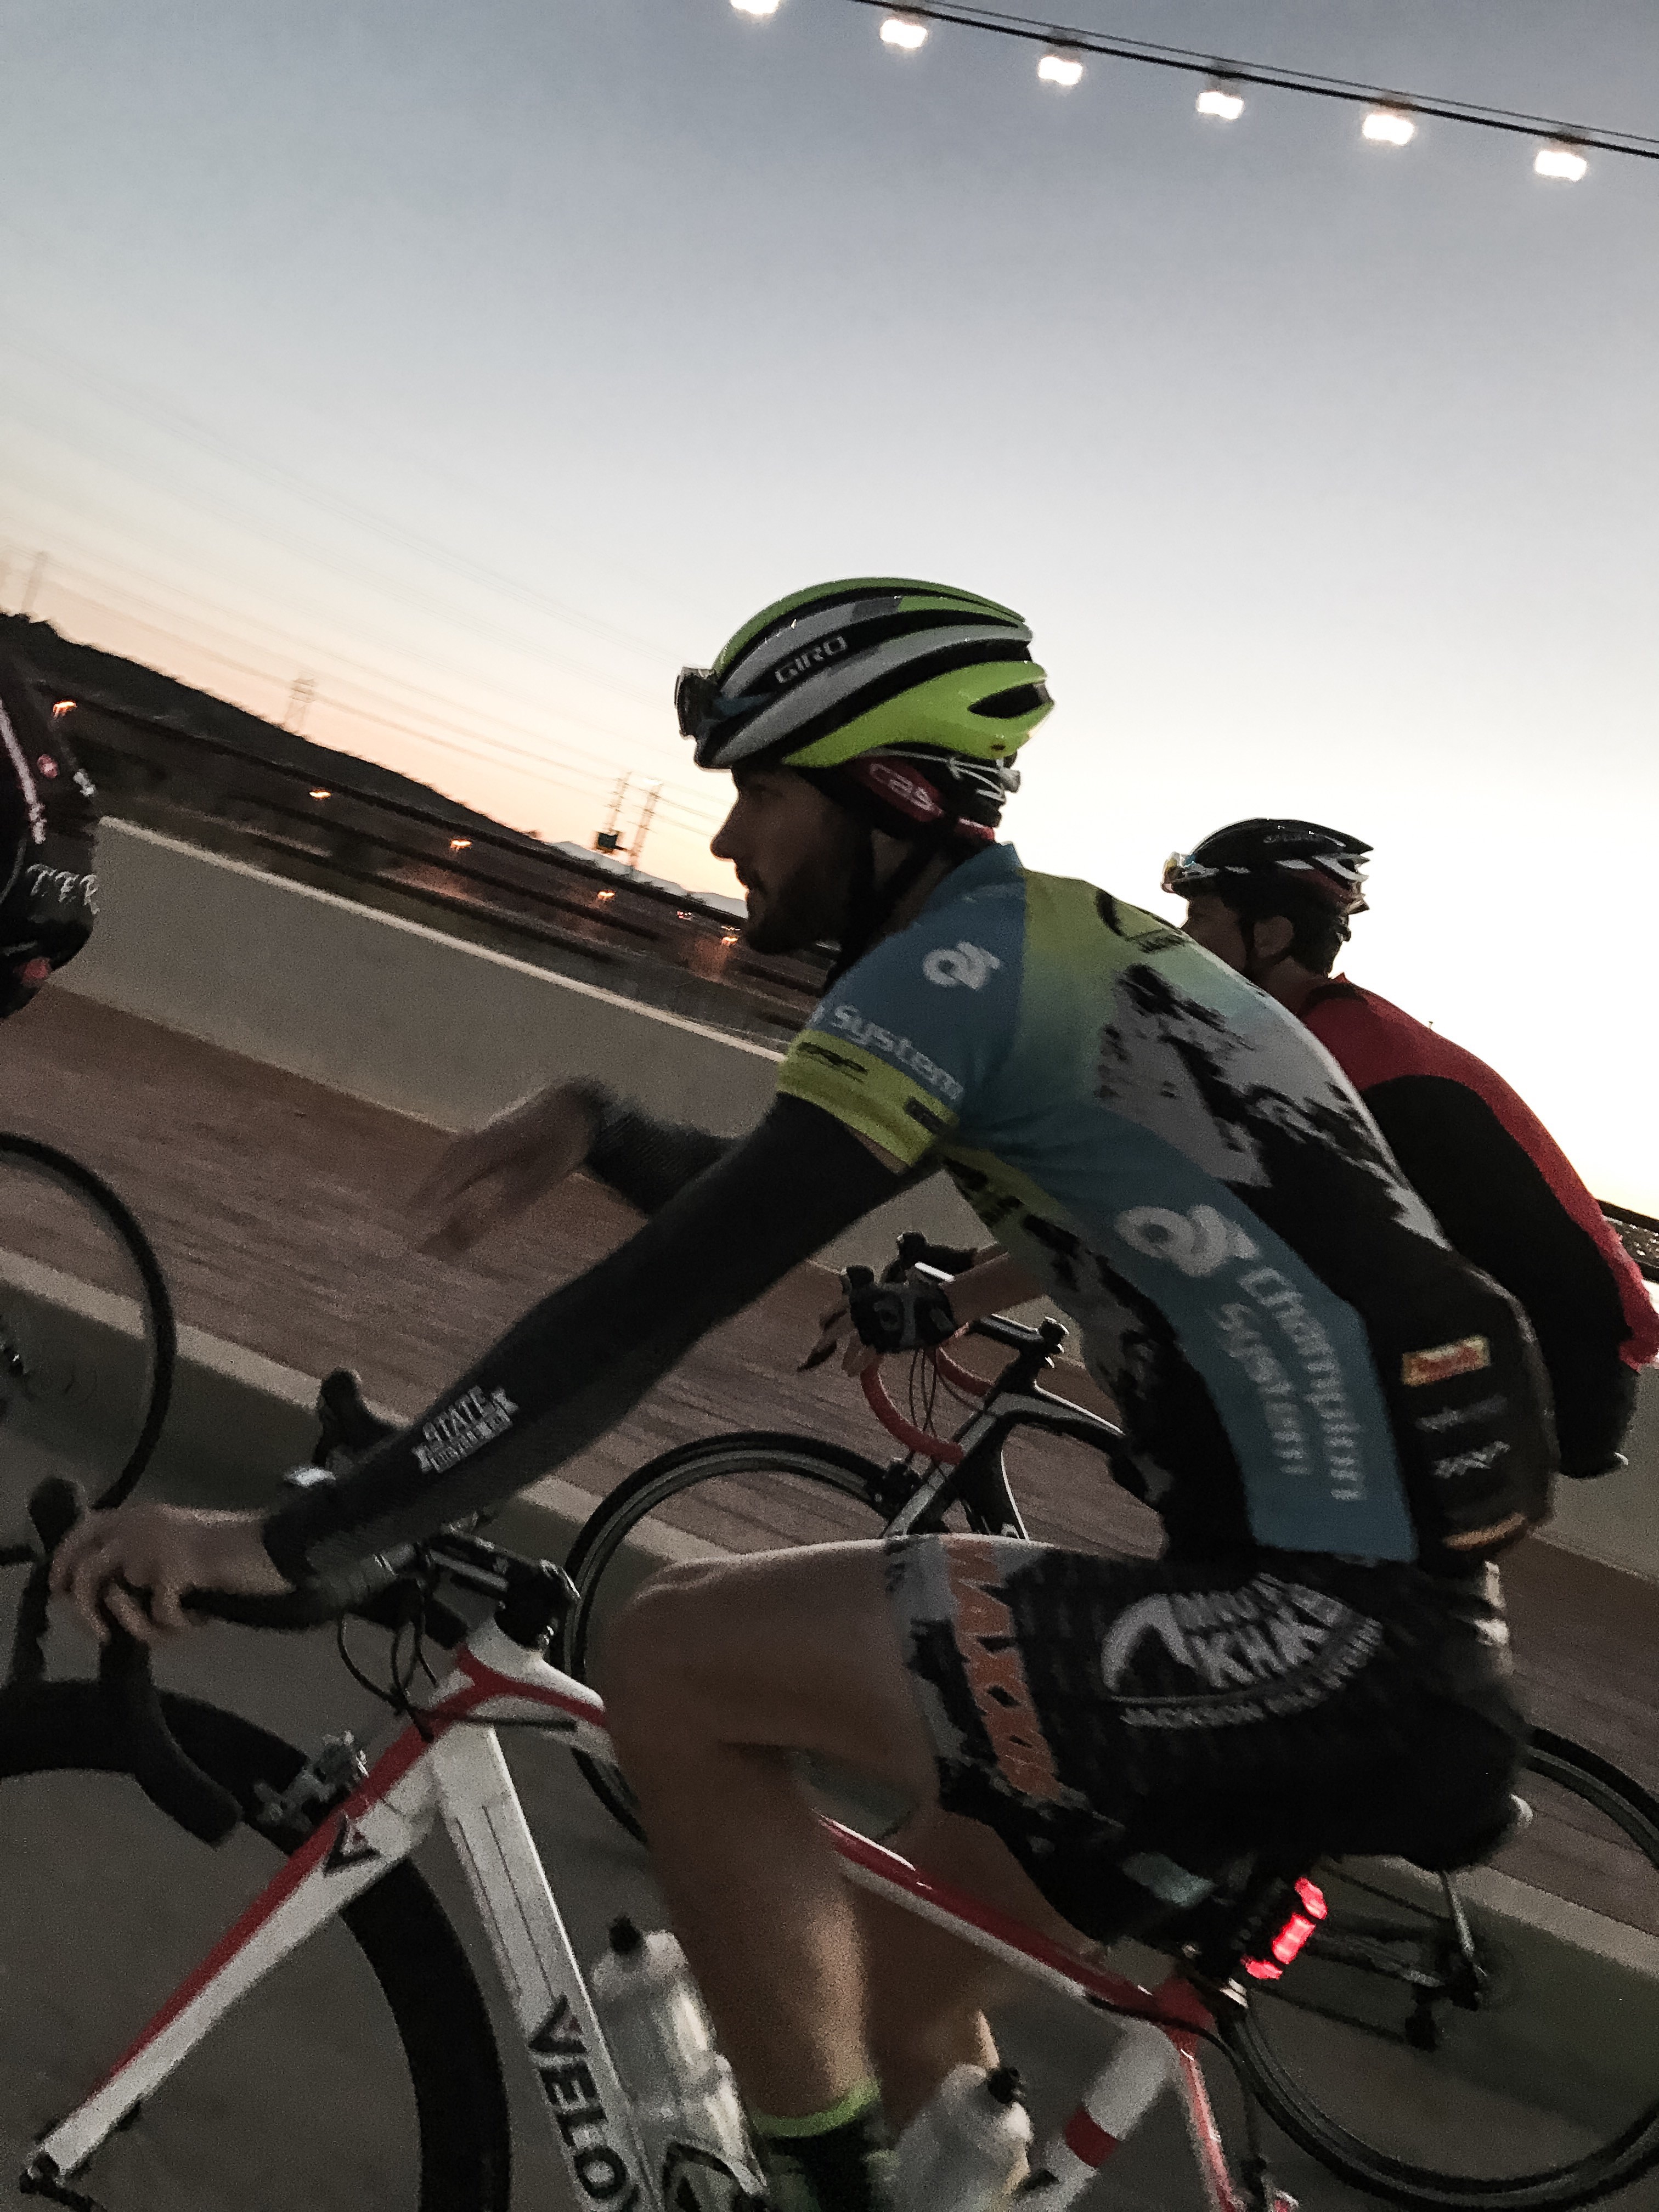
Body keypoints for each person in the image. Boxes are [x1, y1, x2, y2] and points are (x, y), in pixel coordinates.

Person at [50, 581, 1557, 2212]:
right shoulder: (1048, 952)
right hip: (1354, 1629)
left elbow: (652, 1306)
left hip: (1313, 1637)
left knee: (673, 1657)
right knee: (891, 2020)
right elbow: (765, 1202)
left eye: (761, 790)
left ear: (884, 796)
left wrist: (302, 1537)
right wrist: (607, 1124)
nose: (728, 840)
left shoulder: (957, 975)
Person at [1161, 819, 1658, 1479]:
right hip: (1500, 1338)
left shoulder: (1339, 1056)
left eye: (1199, 917)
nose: (1181, 939)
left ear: (1271, 936)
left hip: (1551, 1365)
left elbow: (1207, 1200)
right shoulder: (1319, 1031)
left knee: (1213, 1452)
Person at [0, 653, 99, 1016]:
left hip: (55, 808)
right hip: (46, 806)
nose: (39, 974)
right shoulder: (57, 939)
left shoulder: (62, 939)